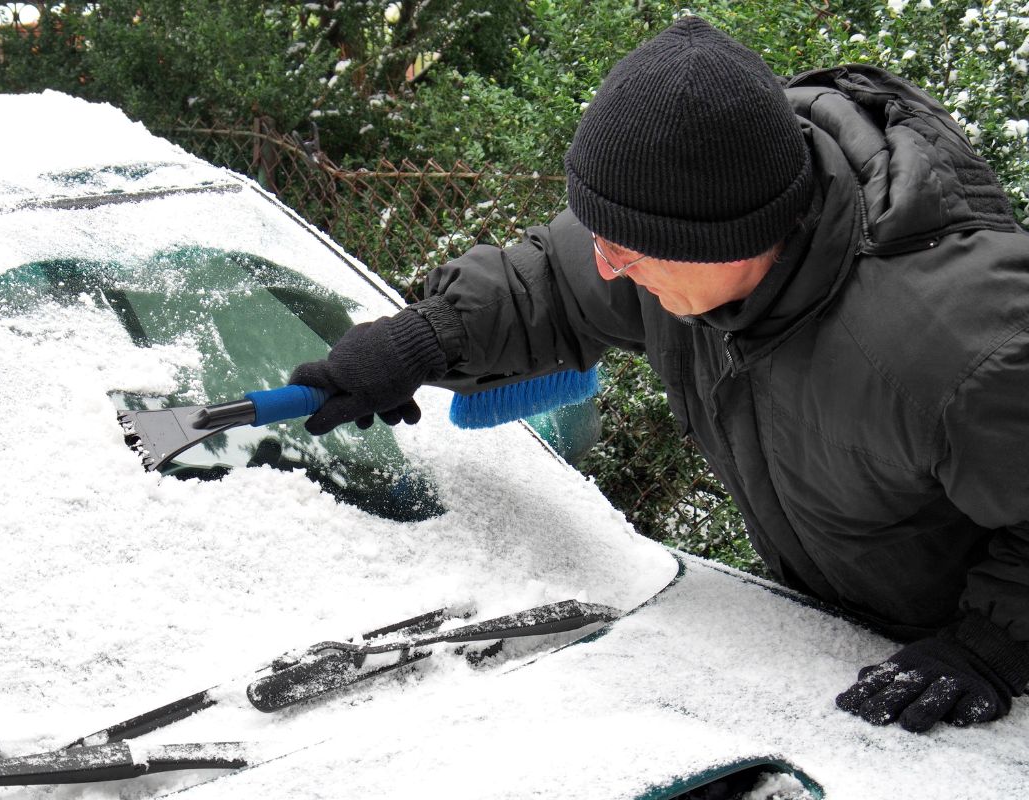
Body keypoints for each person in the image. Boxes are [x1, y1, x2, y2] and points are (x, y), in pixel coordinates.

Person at [289, 16, 1029, 733]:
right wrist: (427, 337)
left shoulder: (956, 349)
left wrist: (997, 643)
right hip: (838, 635)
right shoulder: (684, 235)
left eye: (628, 250)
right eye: (607, 238)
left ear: (727, 241)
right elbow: (554, 278)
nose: (609, 263)